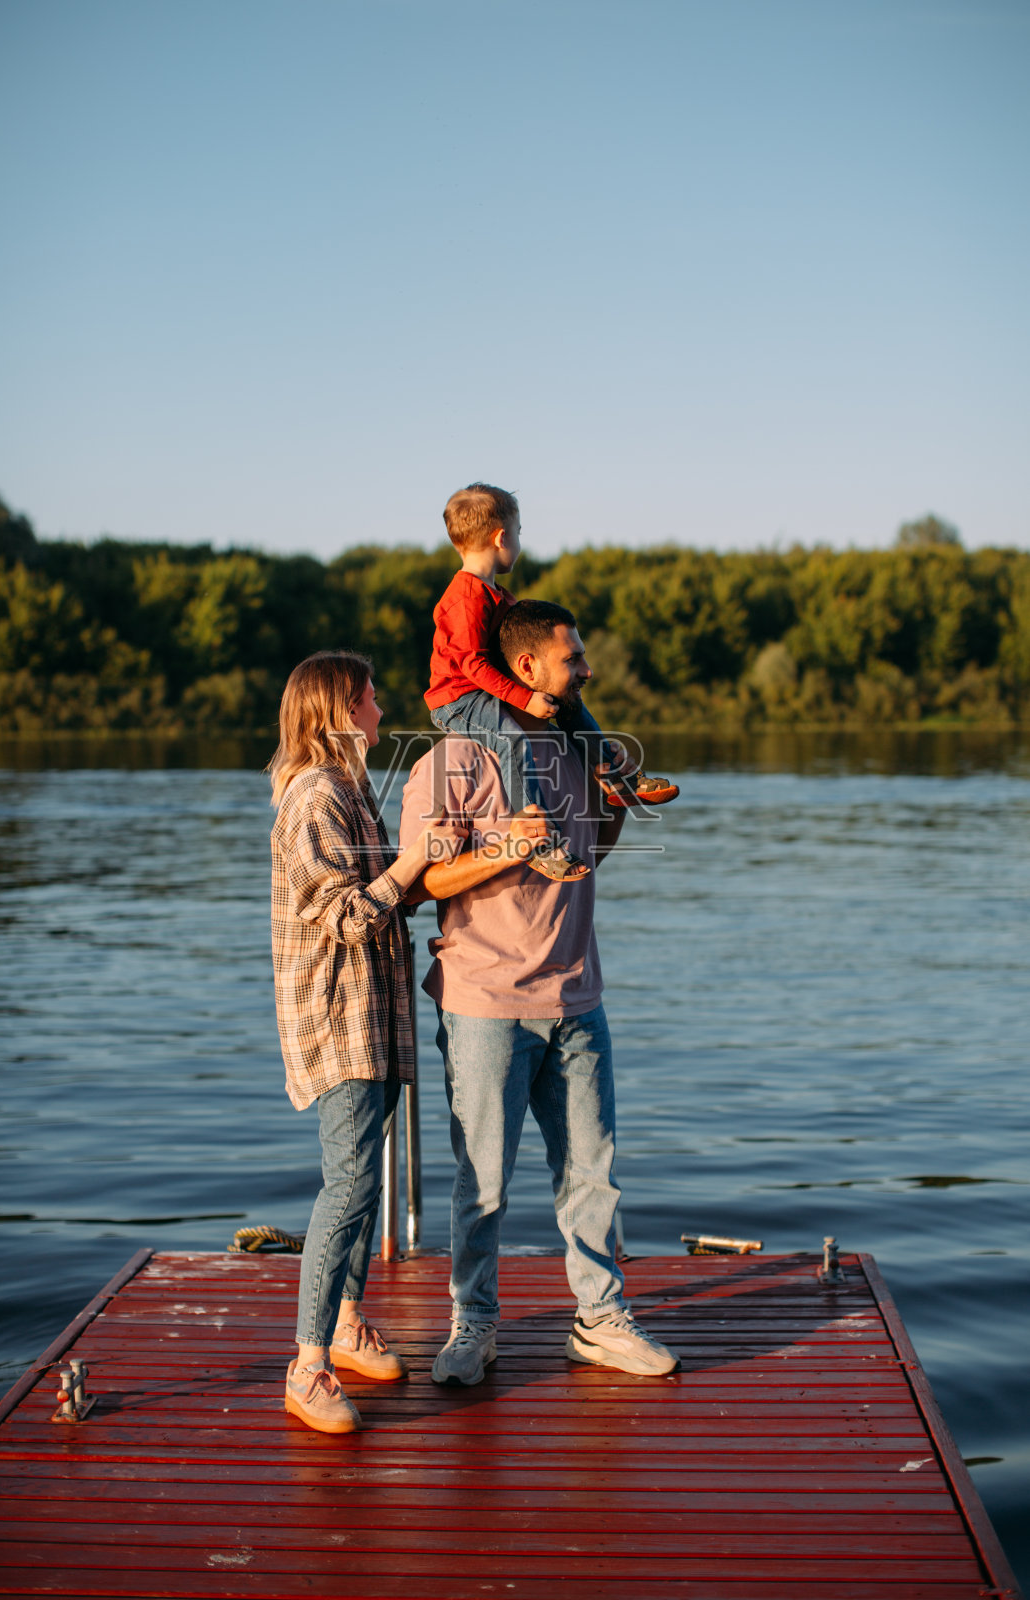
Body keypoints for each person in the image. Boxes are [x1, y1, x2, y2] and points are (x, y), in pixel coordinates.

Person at [400, 601, 680, 1386]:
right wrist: (505, 849)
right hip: (484, 1001)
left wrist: (614, 807)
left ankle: (599, 1320)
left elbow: (594, 852)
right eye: (573, 658)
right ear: (525, 668)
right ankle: (473, 1325)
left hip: (577, 996)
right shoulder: (452, 758)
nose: (586, 670)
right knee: (481, 1181)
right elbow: (420, 884)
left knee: (592, 1174)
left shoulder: (572, 748)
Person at [269, 650, 463, 1432]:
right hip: (338, 1015)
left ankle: (347, 1324)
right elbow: (346, 915)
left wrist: (435, 861)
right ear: (340, 712)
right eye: (370, 696)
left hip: (374, 1015)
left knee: (365, 1180)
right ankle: (306, 1365)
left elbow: (383, 898)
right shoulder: (315, 796)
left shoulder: (352, 790)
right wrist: (416, 859)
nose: (382, 707)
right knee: (347, 1186)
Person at [424, 483, 677, 883]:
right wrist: (524, 698)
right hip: (458, 700)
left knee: (570, 705)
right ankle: (540, 842)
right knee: (514, 740)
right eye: (519, 532)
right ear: (501, 536)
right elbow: (471, 664)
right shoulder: (464, 597)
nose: (520, 542)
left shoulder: (497, 594)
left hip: (488, 691)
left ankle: (615, 776)